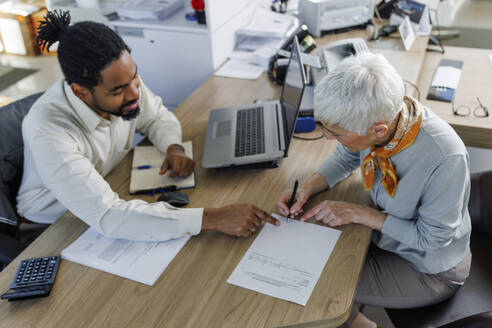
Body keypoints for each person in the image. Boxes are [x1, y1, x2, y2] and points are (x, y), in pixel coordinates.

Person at [16, 10, 279, 242]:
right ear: (81, 92)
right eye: (119, 89)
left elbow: (156, 117)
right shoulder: (48, 130)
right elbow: (108, 215)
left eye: (134, 77)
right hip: (54, 225)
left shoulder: (123, 85)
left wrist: (173, 147)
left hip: (107, 189)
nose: (134, 94)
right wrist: (212, 218)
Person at [276, 53, 471, 328]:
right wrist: (307, 187)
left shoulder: (444, 157)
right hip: (386, 239)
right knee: (311, 258)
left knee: (313, 285)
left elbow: (432, 240)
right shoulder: (389, 119)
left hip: (429, 268)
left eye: (336, 134)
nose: (329, 138)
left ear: (378, 130)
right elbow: (346, 156)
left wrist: (361, 214)